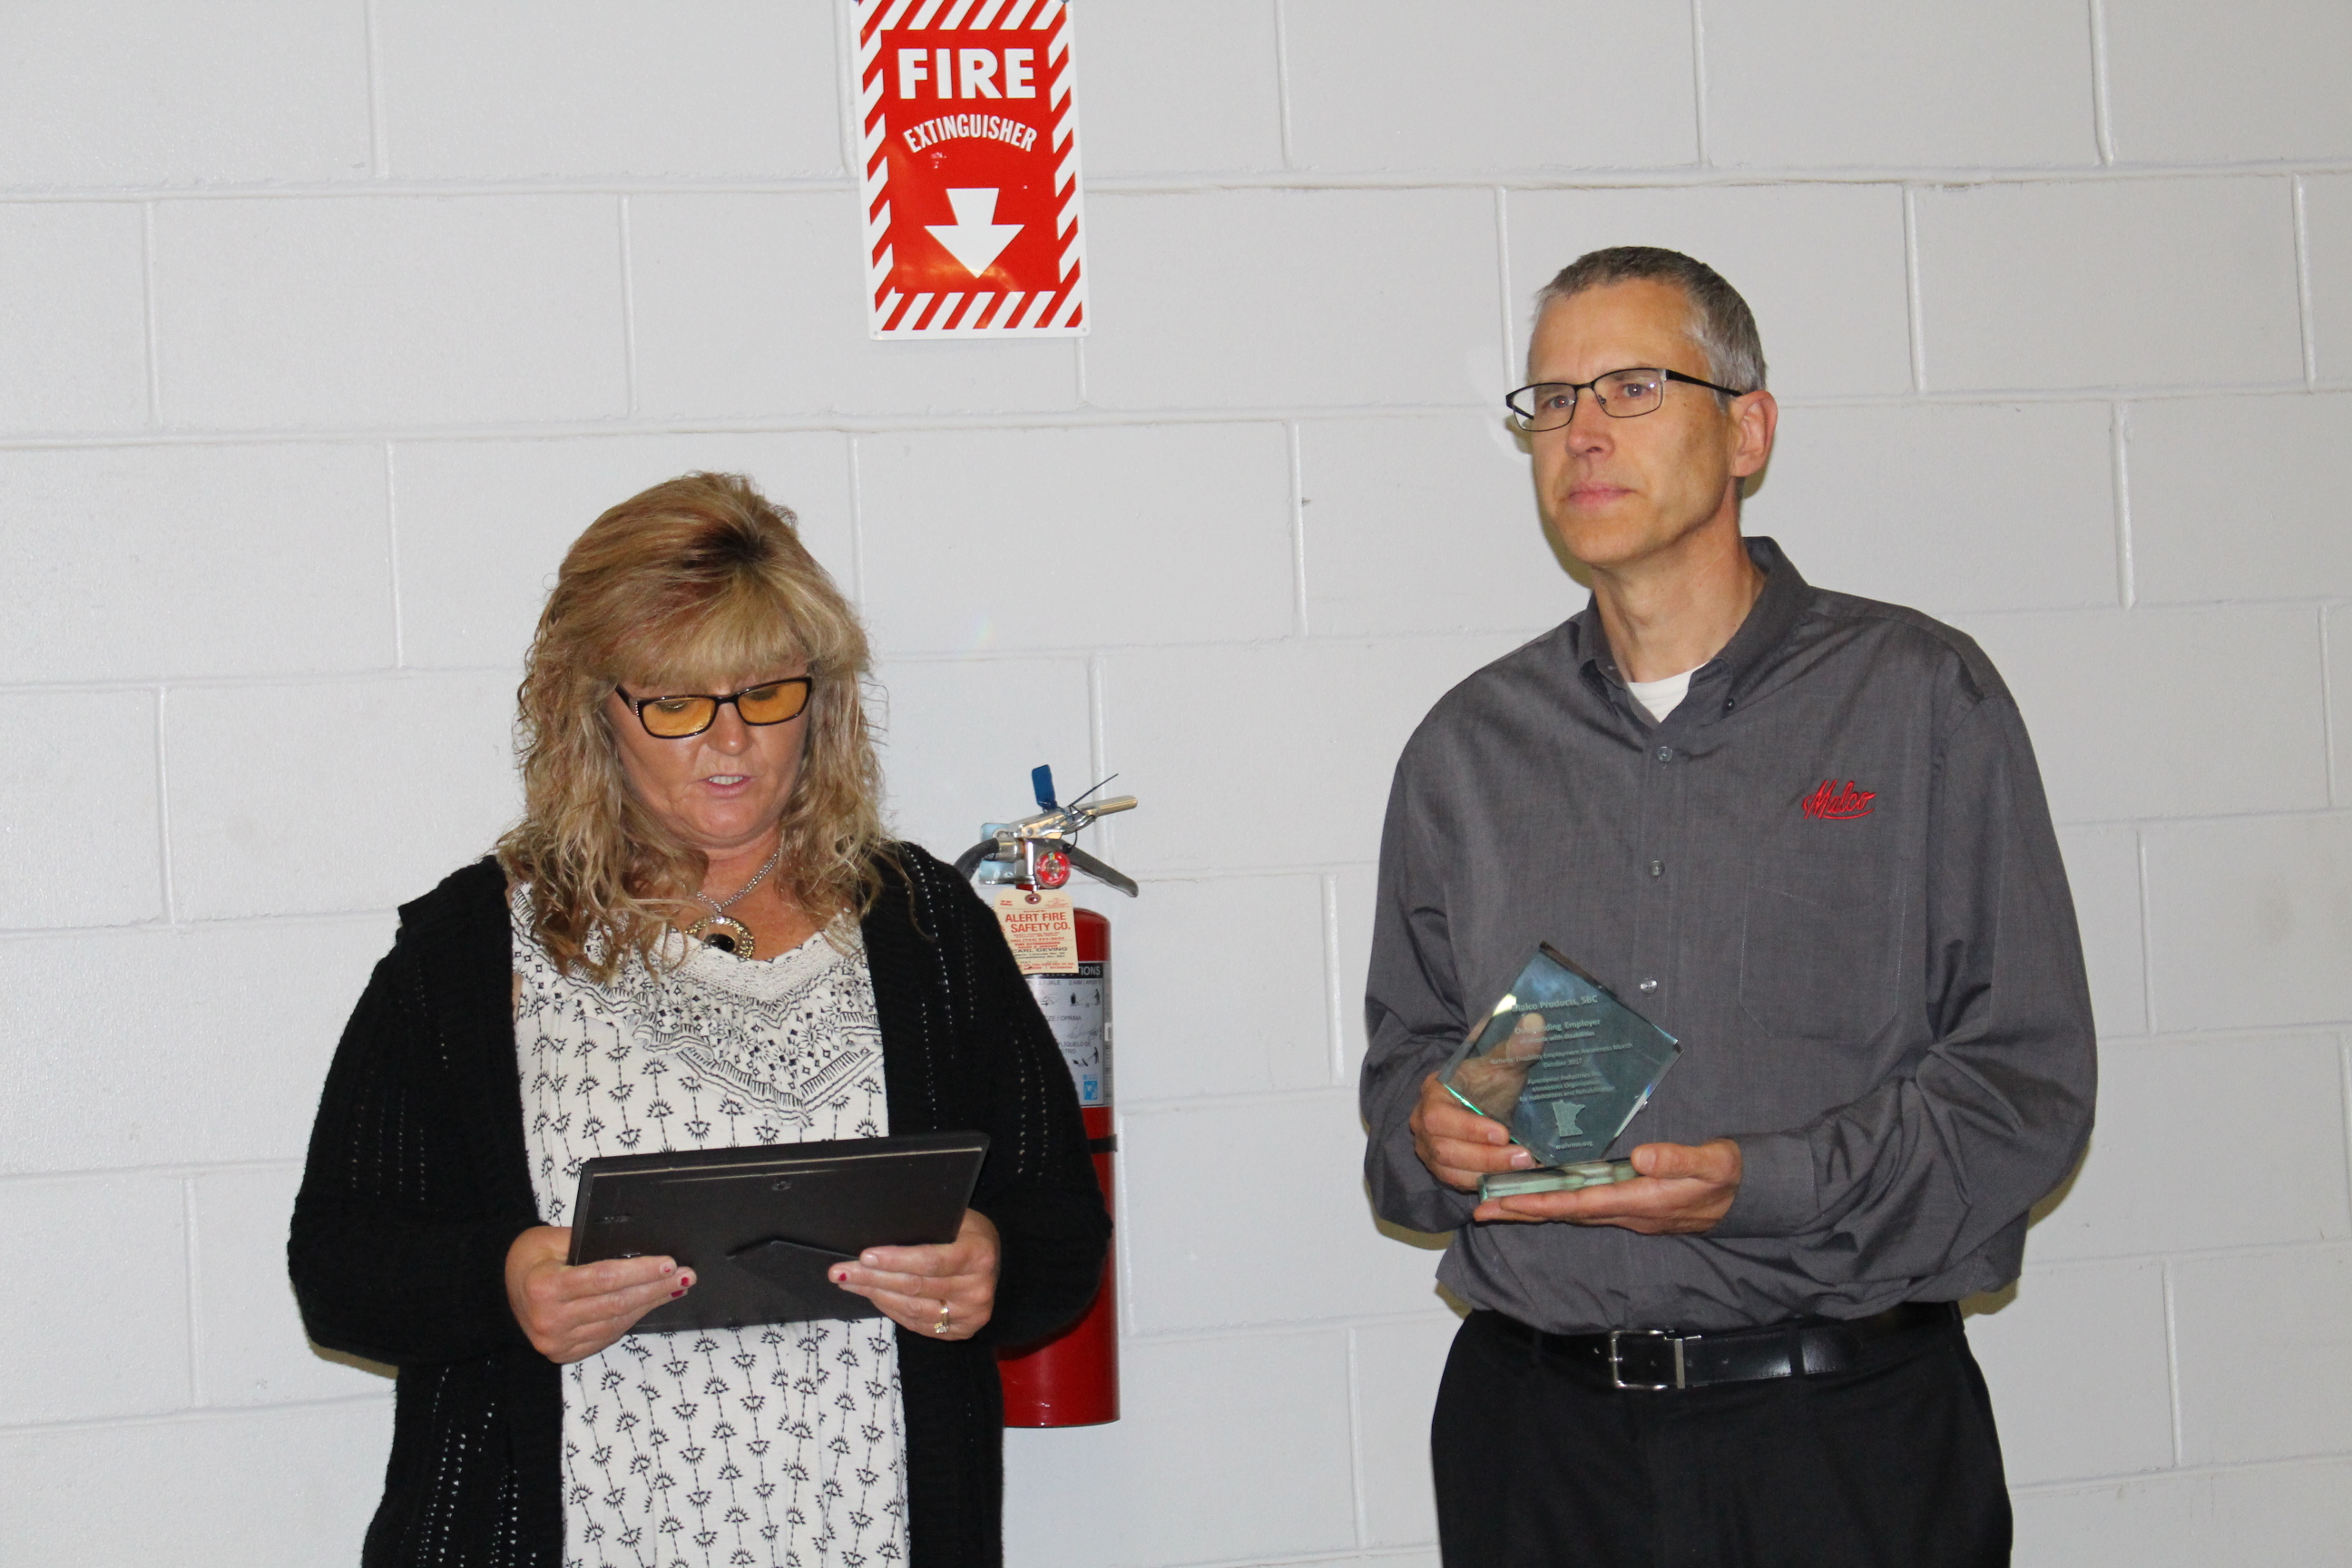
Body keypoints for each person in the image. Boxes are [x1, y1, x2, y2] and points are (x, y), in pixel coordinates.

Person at [1358, 247, 2095, 1567]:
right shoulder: (1466, 753)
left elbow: (2023, 1086)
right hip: (1537, 1448)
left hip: (1841, 1440)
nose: (1581, 431)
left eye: (1632, 387)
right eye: (1550, 399)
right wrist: (1434, 1132)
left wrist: (1760, 1187)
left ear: (1747, 427)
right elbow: (1402, 1095)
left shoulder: (1921, 700)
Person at [289, 473, 1110, 1568]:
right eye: (678, 703)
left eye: (768, 693)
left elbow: (1057, 1225)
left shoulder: (924, 927)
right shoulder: (476, 948)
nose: (731, 742)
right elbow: (339, 1263)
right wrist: (505, 1282)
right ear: (596, 713)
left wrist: (991, 1262)